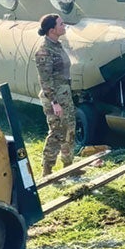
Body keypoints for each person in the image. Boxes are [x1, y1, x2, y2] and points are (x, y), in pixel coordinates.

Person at [35, 14, 76, 177]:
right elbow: (45, 80)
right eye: (61, 24)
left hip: (64, 94)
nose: (64, 25)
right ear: (52, 30)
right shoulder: (44, 51)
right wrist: (54, 103)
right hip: (55, 98)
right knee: (57, 132)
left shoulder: (57, 45)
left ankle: (68, 167)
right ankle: (47, 169)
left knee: (69, 130)